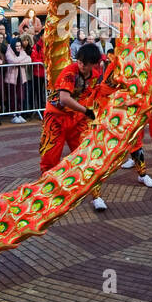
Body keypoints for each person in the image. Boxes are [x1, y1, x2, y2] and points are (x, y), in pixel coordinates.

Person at [40, 42, 109, 211]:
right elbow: (64, 98)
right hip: (55, 118)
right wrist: (86, 110)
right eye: (80, 61)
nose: (81, 66)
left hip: (77, 119)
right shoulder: (69, 72)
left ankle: (96, 195)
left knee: (86, 156)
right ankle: (46, 195)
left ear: (94, 64)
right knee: (49, 158)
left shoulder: (95, 72)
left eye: (85, 64)